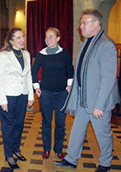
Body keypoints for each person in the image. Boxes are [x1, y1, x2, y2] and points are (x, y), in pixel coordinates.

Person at [54, 9, 120, 172]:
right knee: (77, 130)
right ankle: (71, 158)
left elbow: (108, 79)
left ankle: (106, 162)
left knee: (103, 133)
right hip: (84, 98)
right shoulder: (87, 42)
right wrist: (74, 86)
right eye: (81, 23)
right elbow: (82, 70)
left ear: (97, 23)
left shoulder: (106, 45)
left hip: (98, 102)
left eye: (85, 23)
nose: (81, 26)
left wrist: (100, 105)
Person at [32, 27, 74, 160]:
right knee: (46, 122)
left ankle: (59, 149)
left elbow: (70, 70)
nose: (48, 39)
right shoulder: (41, 54)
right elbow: (33, 71)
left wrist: (69, 85)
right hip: (46, 94)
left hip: (62, 93)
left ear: (58, 38)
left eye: (51, 36)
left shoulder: (64, 53)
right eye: (46, 37)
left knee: (60, 124)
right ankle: (46, 149)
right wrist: (36, 87)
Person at [0, 28, 34, 169]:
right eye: (18, 38)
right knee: (8, 126)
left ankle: (16, 149)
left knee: (19, 124)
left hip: (22, 94)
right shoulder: (3, 55)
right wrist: (2, 100)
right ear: (11, 41)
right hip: (9, 95)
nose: (22, 40)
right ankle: (9, 155)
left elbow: (28, 75)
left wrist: (30, 95)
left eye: (22, 36)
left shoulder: (26, 54)